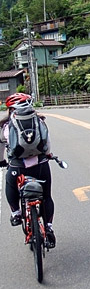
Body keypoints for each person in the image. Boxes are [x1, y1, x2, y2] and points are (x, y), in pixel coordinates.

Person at [0, 93, 56, 248]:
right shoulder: (39, 120)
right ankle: (49, 228)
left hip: (17, 168)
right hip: (41, 165)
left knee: (10, 185)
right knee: (46, 196)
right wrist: (47, 154)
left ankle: (16, 214)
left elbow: (3, 145)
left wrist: (2, 161)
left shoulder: (6, 126)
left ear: (10, 109)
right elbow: (47, 142)